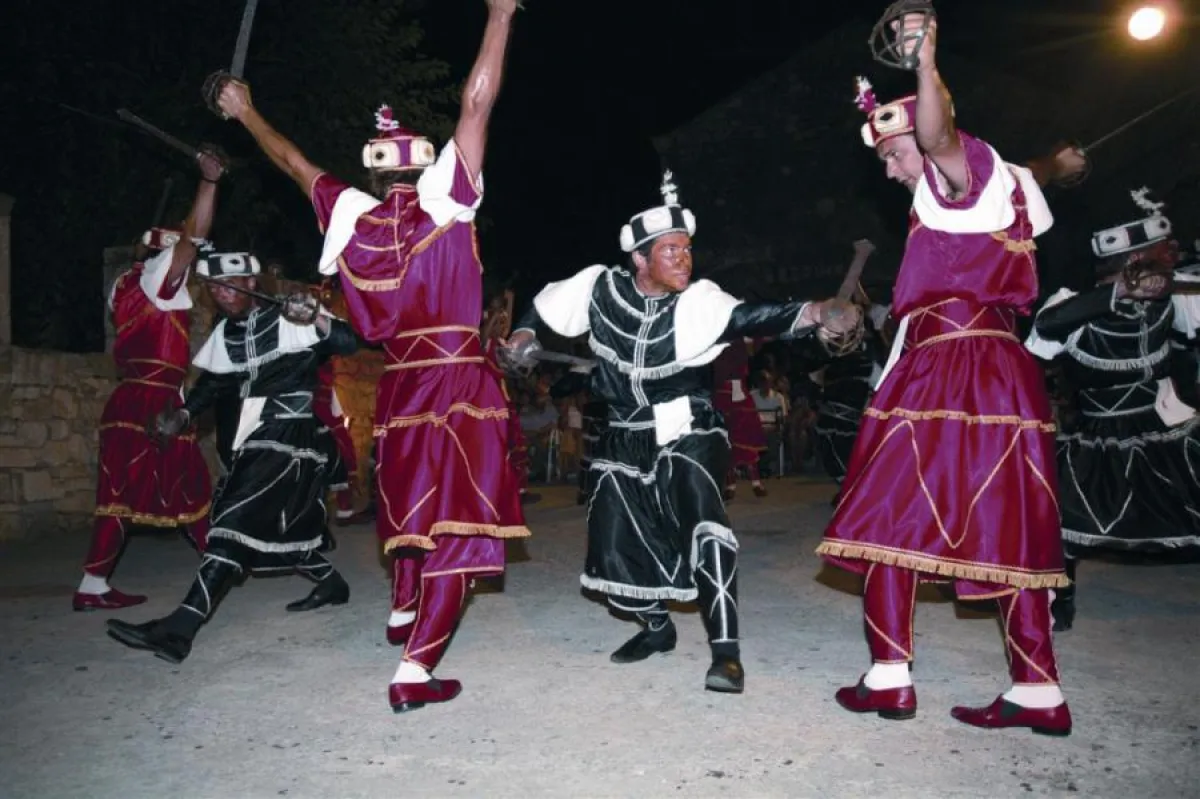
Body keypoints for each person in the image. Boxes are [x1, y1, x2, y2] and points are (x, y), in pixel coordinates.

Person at [214, 0, 528, 711]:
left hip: (400, 388)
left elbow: (294, 164)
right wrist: (501, 16)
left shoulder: (351, 214)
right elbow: (476, 104)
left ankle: (400, 606)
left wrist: (246, 111)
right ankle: (416, 672)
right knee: (461, 526)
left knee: (415, 508)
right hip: (457, 383)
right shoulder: (447, 198)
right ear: (422, 167)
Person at [815, 13, 1088, 735]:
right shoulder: (1009, 189)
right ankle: (1037, 690)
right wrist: (1056, 167)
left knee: (884, 511)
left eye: (890, 153)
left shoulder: (952, 176)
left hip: (949, 370)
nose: (889, 168)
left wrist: (925, 61)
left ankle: (889, 676)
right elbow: (1012, 174)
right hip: (1000, 369)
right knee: (1008, 525)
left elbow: (938, 137)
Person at [504, 171, 860, 693]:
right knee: (616, 545)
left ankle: (726, 654)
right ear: (640, 259)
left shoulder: (700, 301)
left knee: (703, 519)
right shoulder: (598, 287)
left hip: (689, 426)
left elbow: (753, 317)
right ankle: (656, 627)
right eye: (670, 251)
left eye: (686, 249)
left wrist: (812, 312)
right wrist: (524, 332)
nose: (683, 259)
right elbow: (545, 305)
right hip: (624, 432)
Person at [105, 252, 358, 663]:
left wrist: (317, 316)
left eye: (230, 285)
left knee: (232, 522)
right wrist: (184, 414)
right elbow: (214, 382)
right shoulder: (227, 333)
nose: (222, 294)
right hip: (256, 436)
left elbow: (349, 341)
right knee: (272, 528)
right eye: (215, 287)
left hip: (292, 435)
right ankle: (332, 584)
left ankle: (179, 629)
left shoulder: (290, 317)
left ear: (252, 284)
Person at [1026, 189, 1200, 631]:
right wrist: (1121, 290)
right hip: (1099, 436)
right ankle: (1058, 600)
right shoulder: (1072, 304)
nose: (1170, 258)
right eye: (1159, 252)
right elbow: (1045, 328)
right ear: (1129, 260)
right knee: (1058, 517)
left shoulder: (1175, 298)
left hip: (1165, 428)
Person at [74, 152, 224, 611]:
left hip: (128, 400)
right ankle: (220, 562)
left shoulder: (122, 284)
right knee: (192, 485)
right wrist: (209, 183)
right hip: (153, 404)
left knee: (133, 493)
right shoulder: (159, 281)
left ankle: (94, 583)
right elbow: (193, 238)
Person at [711, 339, 770, 499]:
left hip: (737, 389)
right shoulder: (717, 338)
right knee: (726, 441)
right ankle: (731, 485)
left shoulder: (738, 339)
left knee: (746, 436)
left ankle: (756, 482)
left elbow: (756, 343)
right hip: (721, 392)